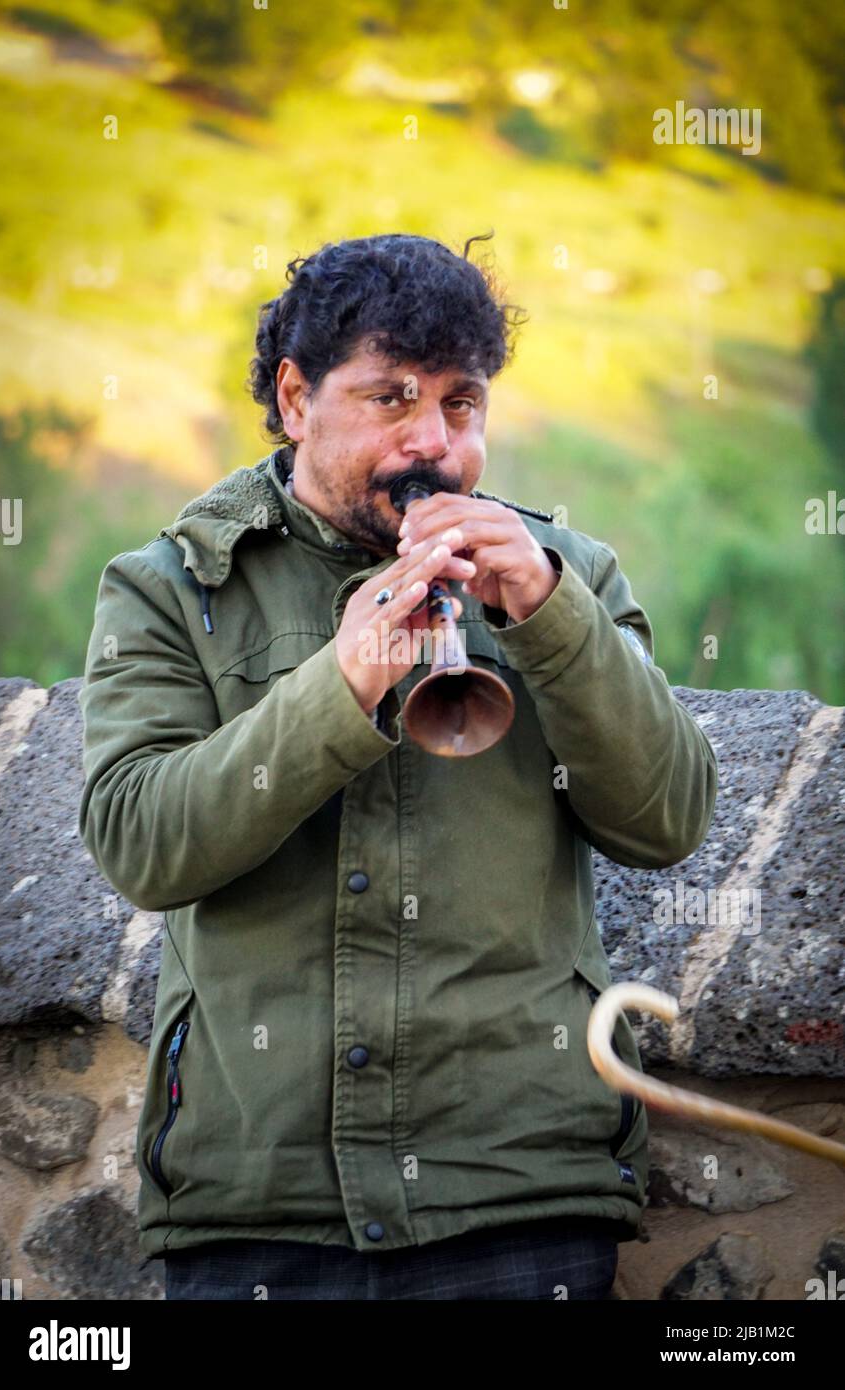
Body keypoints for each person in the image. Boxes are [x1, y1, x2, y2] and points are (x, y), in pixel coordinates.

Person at [77, 232, 718, 1301]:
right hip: (255, 1200)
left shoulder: (572, 573)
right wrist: (342, 685)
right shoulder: (168, 587)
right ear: (294, 398)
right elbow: (141, 845)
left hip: (518, 1193)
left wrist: (552, 621)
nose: (434, 443)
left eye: (460, 405)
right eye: (391, 398)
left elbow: (665, 821)